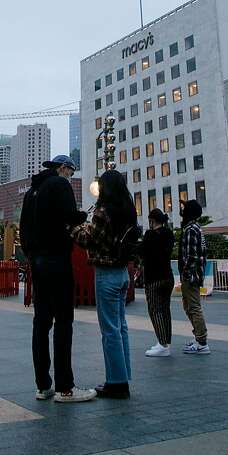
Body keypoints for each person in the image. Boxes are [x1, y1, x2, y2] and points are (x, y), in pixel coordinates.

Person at [18, 154, 96, 403]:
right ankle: (66, 387)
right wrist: (83, 216)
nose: (71, 177)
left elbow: (23, 228)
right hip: (57, 259)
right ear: (63, 168)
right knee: (64, 321)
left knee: (41, 323)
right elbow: (69, 217)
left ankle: (43, 386)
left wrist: (31, 255)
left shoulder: (32, 191)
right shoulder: (60, 185)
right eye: (71, 172)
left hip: (37, 261)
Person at [72, 169, 139, 399]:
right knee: (121, 327)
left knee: (109, 329)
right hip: (122, 273)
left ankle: (116, 383)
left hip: (106, 273)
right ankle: (123, 376)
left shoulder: (103, 211)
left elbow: (89, 239)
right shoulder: (128, 210)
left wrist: (74, 228)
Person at [139, 208, 175, 357]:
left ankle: (162, 344)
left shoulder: (149, 235)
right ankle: (166, 341)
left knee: (155, 310)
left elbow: (141, 251)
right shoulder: (169, 234)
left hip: (153, 278)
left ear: (152, 221)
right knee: (165, 309)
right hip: (168, 276)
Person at [177, 199, 210, 355]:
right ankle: (198, 337)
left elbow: (191, 256)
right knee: (189, 306)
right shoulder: (197, 228)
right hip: (195, 274)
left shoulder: (190, 229)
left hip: (191, 275)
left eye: (184, 208)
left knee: (193, 306)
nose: (181, 210)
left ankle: (202, 341)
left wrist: (185, 272)